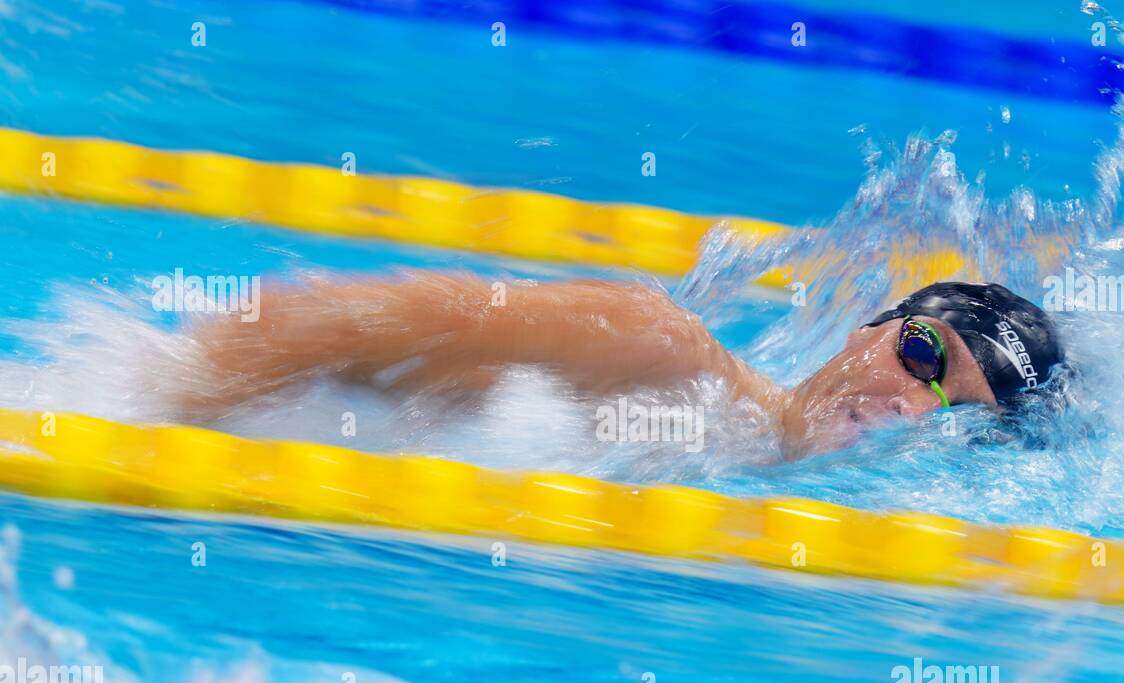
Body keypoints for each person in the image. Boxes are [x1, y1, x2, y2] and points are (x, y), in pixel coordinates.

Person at [183, 273, 1066, 458]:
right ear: (863, 330)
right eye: (922, 354)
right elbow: (326, 319)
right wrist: (159, 410)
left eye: (958, 414)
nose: (912, 404)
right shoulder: (661, 349)